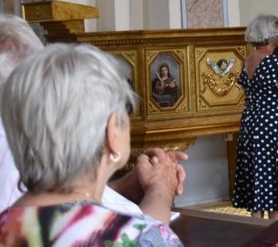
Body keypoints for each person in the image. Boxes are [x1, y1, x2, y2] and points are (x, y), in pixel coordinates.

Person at [0, 14, 187, 215]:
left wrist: (125, 186)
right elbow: (140, 234)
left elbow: (62, 199)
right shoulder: (8, 141)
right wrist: (160, 190)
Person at [232, 14, 278, 219]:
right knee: (274, 178)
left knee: (257, 176)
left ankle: (256, 229)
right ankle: (276, 232)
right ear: (271, 35)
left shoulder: (248, 60)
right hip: (271, 126)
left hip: (250, 123)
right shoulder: (276, 62)